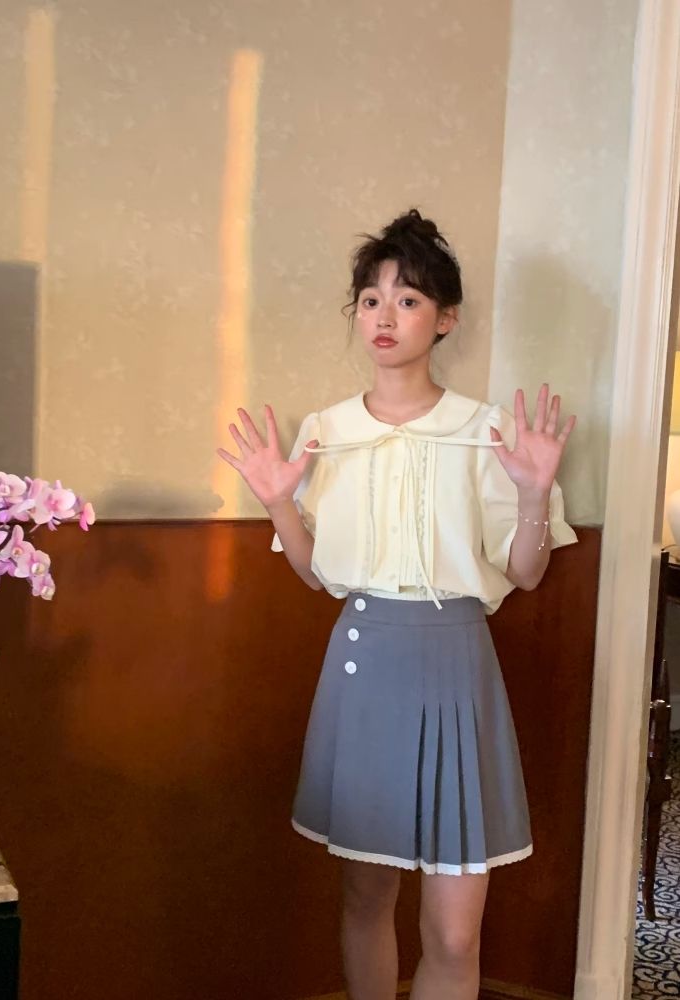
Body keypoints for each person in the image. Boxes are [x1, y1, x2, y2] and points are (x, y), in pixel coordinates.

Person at [217, 208, 577, 1000]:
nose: (385, 315)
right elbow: (316, 576)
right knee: (366, 894)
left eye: (409, 299)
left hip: (458, 666)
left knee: (453, 931)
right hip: (364, 664)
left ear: (445, 319)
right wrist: (278, 503)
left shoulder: (486, 431)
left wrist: (533, 496)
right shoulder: (328, 432)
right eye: (371, 299)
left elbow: (526, 575)